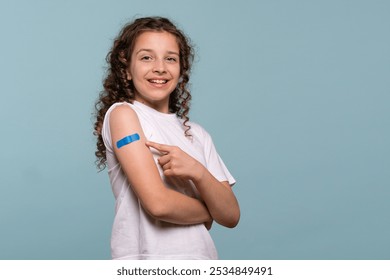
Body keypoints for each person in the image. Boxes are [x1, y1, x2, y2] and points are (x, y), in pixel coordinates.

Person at [94, 16, 240, 260]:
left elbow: (231, 215)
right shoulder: (124, 115)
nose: (160, 67)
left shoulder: (197, 134)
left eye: (170, 58)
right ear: (126, 69)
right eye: (146, 57)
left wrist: (198, 172)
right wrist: (209, 211)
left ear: (181, 69)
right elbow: (158, 204)